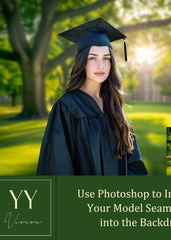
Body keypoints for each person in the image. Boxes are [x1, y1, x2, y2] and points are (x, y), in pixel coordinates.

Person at [36, 18, 148, 175]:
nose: (101, 65)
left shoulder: (114, 105)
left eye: (106, 58)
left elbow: (133, 162)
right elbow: (58, 167)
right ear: (82, 62)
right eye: (92, 58)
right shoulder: (67, 107)